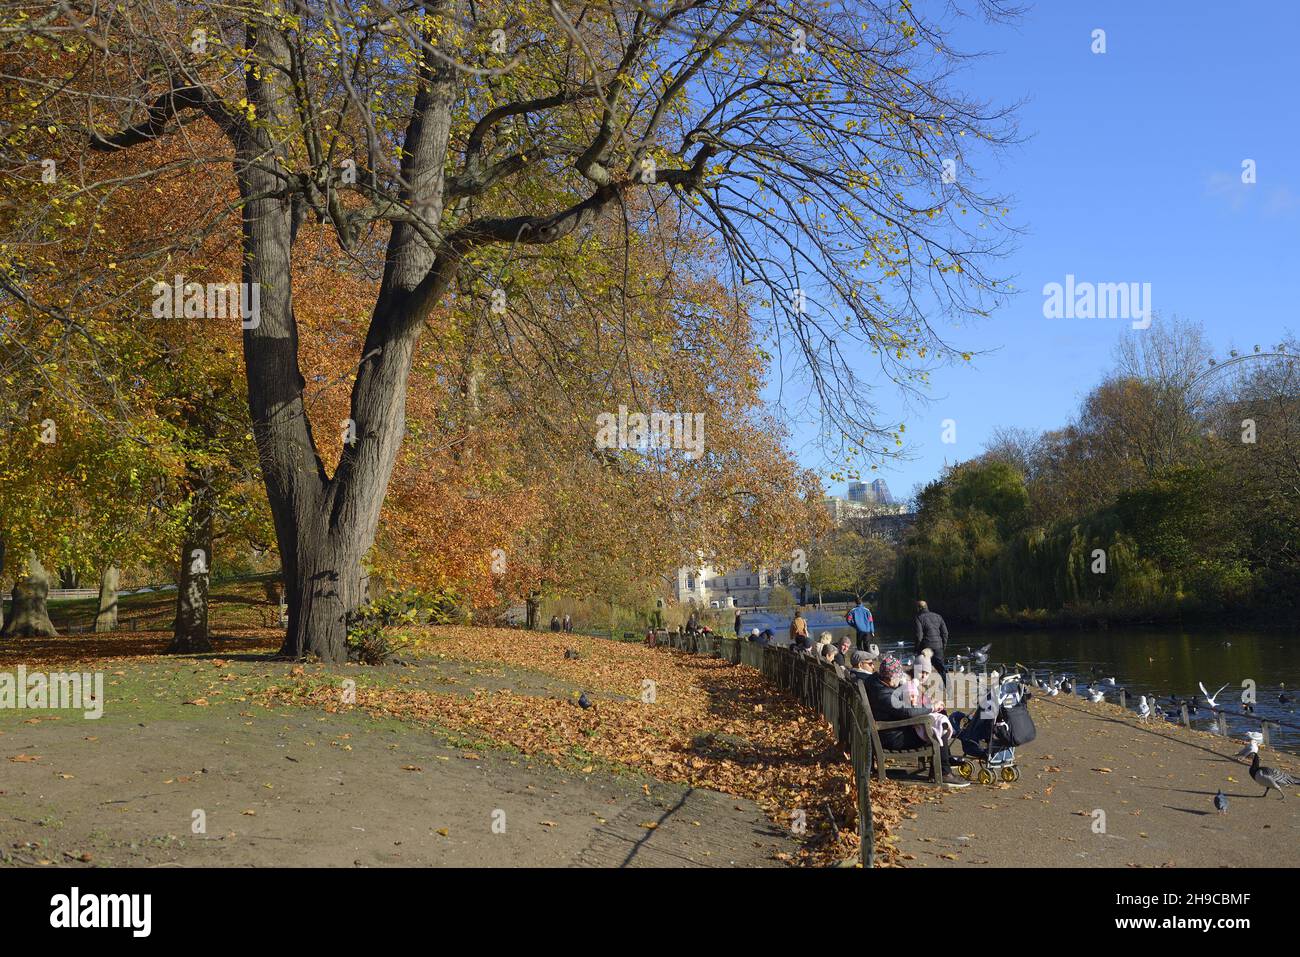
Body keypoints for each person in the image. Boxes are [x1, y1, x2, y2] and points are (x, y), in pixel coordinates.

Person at [863, 656, 968, 788]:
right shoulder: (883, 694)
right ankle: (944, 772)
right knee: (936, 726)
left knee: (938, 716)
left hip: (886, 731)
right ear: (889, 678)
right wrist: (931, 707)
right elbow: (907, 712)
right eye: (898, 677)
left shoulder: (875, 681)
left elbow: (899, 702)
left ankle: (944, 760)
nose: (900, 679)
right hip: (892, 737)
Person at [913, 600, 950, 681]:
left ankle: (922, 691)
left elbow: (919, 636)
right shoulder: (938, 616)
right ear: (926, 607)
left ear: (918, 608)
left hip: (925, 648)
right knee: (942, 670)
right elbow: (945, 633)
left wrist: (916, 649)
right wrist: (942, 646)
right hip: (938, 647)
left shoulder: (918, 618)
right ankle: (949, 690)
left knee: (921, 670)